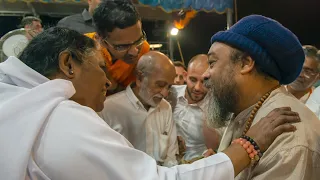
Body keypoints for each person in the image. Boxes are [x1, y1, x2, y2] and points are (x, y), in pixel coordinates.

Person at [0, 27, 300, 180]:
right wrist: (248, 146)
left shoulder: (19, 105)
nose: (108, 81)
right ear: (68, 64)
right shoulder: (58, 116)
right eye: (100, 69)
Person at [203, 15, 320, 180]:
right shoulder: (246, 110)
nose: (205, 75)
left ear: (245, 63)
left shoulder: (288, 132)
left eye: (212, 62)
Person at [100, 51, 178, 167]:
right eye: (160, 85)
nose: (165, 93)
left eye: (169, 86)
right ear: (140, 78)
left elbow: (171, 159)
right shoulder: (107, 109)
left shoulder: (165, 107)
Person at [86, 0, 150, 95]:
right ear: (100, 40)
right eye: (122, 46)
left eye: (139, 40)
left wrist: (113, 85)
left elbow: (135, 94)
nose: (135, 51)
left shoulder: (144, 49)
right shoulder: (83, 50)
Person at [169, 54, 223, 163]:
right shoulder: (170, 93)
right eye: (193, 80)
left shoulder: (218, 106)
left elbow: (213, 147)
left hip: (198, 165)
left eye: (204, 82)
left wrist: (207, 106)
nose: (197, 87)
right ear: (185, 75)